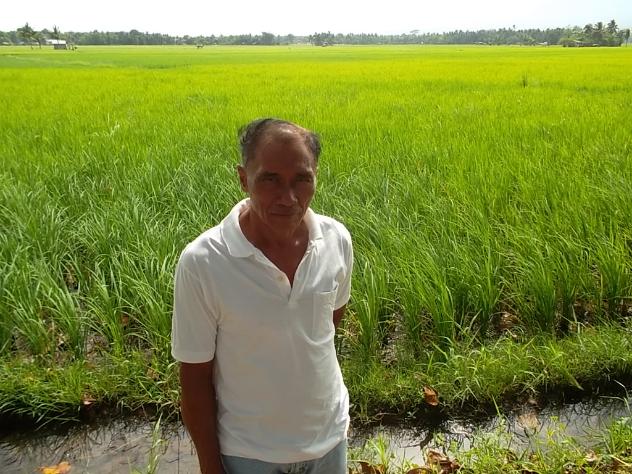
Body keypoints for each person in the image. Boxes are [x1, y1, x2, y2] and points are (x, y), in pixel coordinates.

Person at [171, 118, 353, 474]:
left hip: (330, 441)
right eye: (270, 180)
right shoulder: (203, 262)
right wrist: (211, 466)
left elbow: (328, 327)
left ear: (315, 177)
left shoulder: (336, 240)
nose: (288, 198)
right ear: (244, 179)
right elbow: (194, 379)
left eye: (301, 179)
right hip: (249, 455)